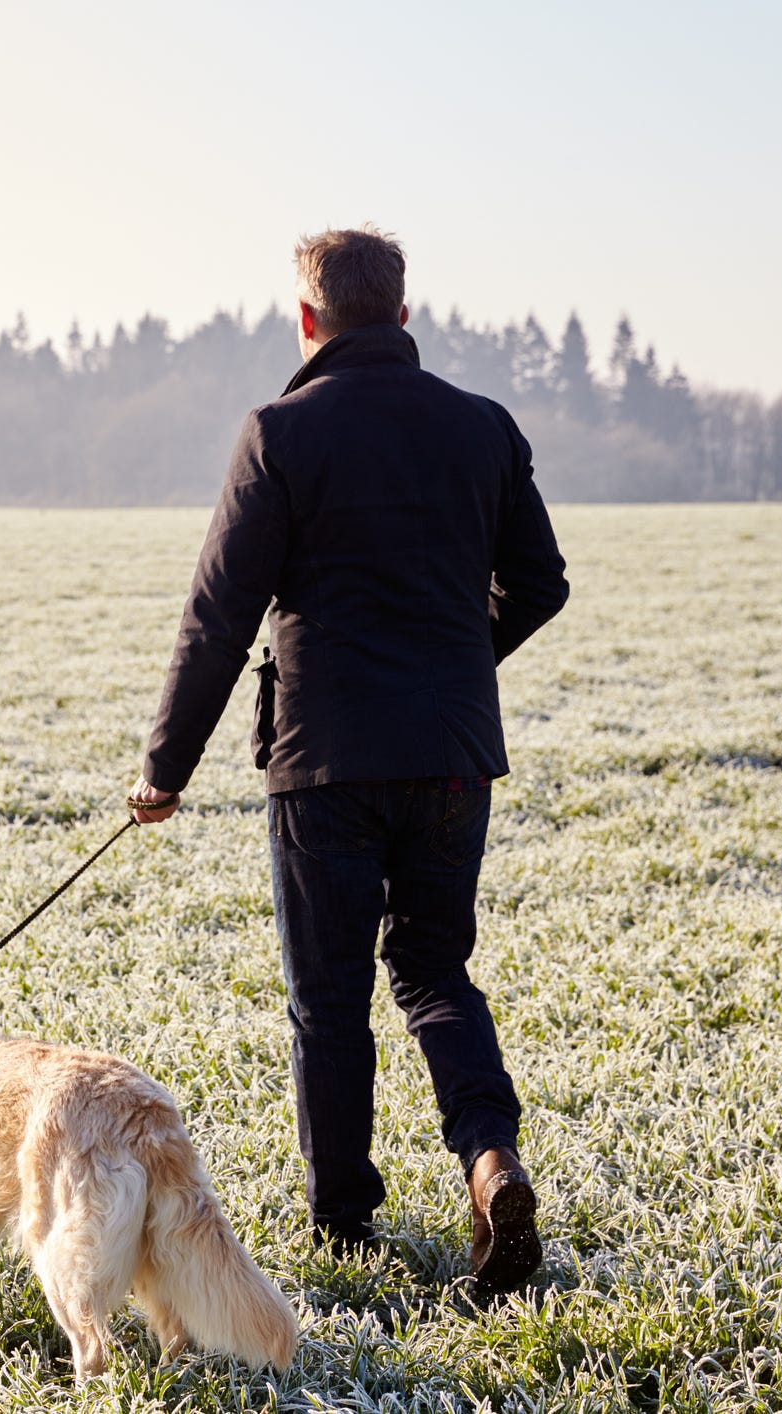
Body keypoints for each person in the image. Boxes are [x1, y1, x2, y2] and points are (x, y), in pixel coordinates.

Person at [126, 226, 569, 1289]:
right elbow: (543, 582)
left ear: (309, 319)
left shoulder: (280, 431)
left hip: (322, 757)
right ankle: (490, 1163)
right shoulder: (484, 427)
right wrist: (459, 659)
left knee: (328, 998)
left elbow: (220, 614)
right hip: (453, 754)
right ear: (404, 316)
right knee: (433, 969)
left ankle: (344, 1227)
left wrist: (166, 767)